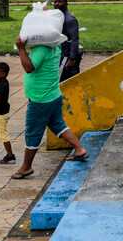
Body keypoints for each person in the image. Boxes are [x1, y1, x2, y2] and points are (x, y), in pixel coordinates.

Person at [12, 27, 89, 180]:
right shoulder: (55, 46)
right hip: (53, 96)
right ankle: (79, 149)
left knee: (33, 133)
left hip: (41, 100)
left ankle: (26, 167)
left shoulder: (41, 49)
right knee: (58, 125)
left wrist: (21, 48)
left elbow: (29, 67)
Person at [54, 0, 82, 82]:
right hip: (62, 54)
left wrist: (72, 59)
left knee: (65, 81)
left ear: (66, 4)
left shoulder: (69, 19)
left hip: (67, 57)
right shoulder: (59, 17)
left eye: (60, 1)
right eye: (55, 2)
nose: (57, 4)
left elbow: (75, 39)